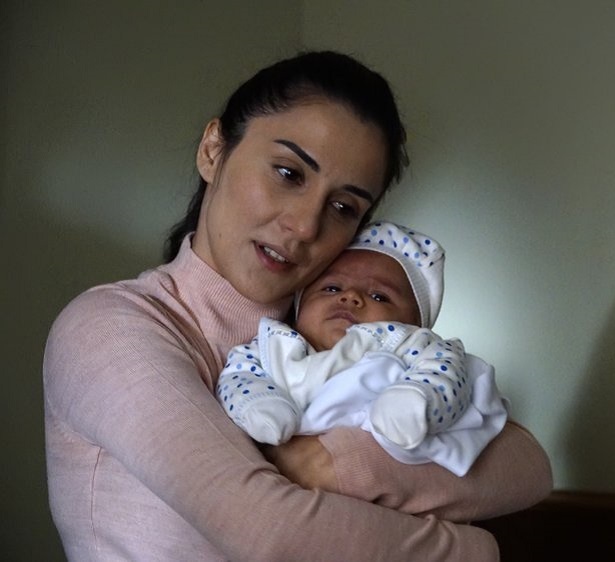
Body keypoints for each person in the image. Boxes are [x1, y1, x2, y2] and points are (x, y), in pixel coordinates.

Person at [43, 50, 552, 561]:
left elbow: (526, 467)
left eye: (343, 207)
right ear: (214, 150)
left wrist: (335, 464)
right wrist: (471, 550)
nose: (306, 226)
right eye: (288, 173)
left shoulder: (335, 340)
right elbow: (269, 530)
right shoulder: (110, 328)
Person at [217, 220, 509, 476]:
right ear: (299, 307)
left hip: (386, 462)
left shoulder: (411, 343)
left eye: (379, 296)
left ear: (417, 323)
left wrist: (417, 399)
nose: (351, 297)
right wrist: (258, 403)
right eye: (332, 288)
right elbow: (239, 376)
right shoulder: (274, 346)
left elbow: (446, 376)